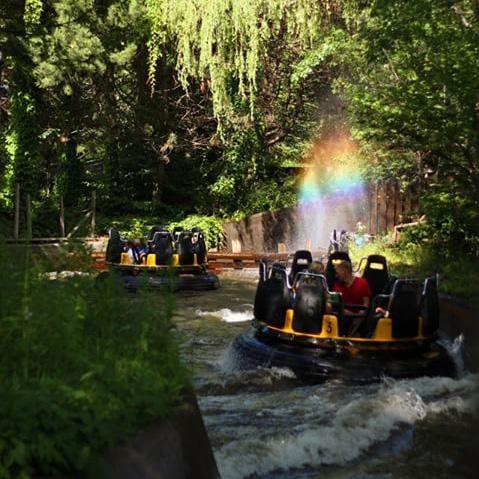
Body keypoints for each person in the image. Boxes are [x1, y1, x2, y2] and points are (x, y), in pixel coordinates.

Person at [332, 260, 372, 335]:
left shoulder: (362, 283)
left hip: (360, 319)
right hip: (342, 319)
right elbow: (335, 305)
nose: (336, 276)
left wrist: (358, 317)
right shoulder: (336, 285)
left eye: (337, 273)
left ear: (344, 271)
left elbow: (366, 304)